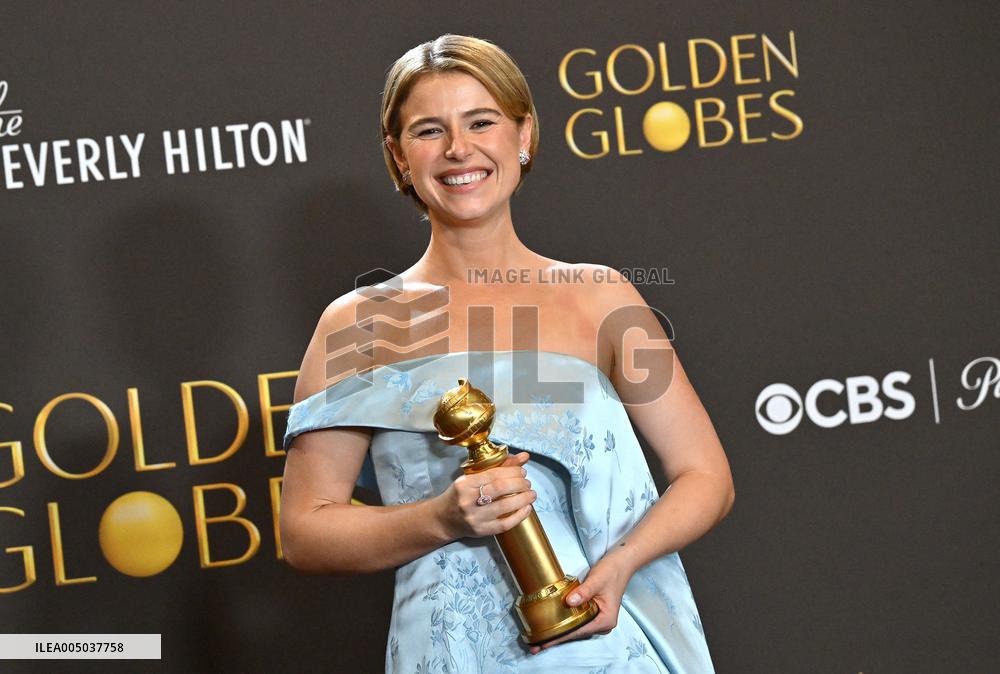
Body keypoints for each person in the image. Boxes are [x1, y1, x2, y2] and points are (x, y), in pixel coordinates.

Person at [279, 33, 734, 673]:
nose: (459, 150)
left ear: (524, 135)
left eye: (481, 122)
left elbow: (704, 476)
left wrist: (622, 565)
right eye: (430, 131)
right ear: (399, 158)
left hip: (608, 644)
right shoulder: (360, 325)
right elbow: (304, 532)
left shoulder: (600, 297)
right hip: (450, 654)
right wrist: (441, 517)